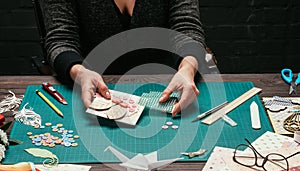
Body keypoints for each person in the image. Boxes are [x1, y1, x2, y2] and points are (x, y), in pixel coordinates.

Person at [43, 0, 207, 117]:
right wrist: (79, 73)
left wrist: (188, 68)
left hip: (167, 87)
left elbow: (186, 27)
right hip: (92, 88)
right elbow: (60, 39)